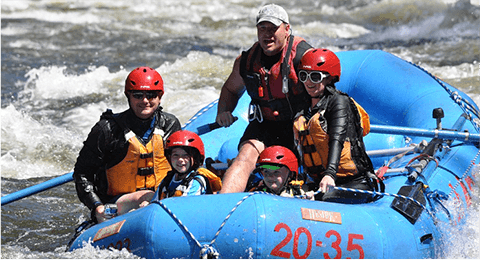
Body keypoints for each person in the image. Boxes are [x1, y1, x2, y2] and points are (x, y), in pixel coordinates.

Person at [216, 4, 313, 193]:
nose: (267, 34)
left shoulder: (303, 57)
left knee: (313, 159)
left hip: (300, 124)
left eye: (273, 29)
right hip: (265, 124)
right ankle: (224, 205)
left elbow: (325, 95)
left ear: (287, 29)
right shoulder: (245, 61)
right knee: (246, 154)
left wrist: (309, 119)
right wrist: (223, 111)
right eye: (262, 29)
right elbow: (230, 89)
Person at [73, 66, 181, 223]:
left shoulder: (170, 125)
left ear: (159, 97)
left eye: (151, 95)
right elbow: (82, 173)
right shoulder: (107, 130)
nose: (145, 101)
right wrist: (96, 207)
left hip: (161, 199)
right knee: (146, 198)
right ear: (128, 96)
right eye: (138, 95)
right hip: (118, 204)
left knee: (152, 198)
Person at [293, 48, 381, 203]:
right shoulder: (304, 107)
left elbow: (337, 139)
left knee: (320, 199)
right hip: (319, 182)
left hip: (354, 182)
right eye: (303, 76)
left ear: (330, 78)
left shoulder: (339, 102)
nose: (308, 82)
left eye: (315, 77)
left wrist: (330, 174)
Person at [154, 130, 222, 199]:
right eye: (175, 155)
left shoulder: (197, 181)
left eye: (185, 155)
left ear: (195, 159)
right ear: (169, 157)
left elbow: (185, 206)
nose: (180, 159)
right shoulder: (167, 179)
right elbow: (154, 202)